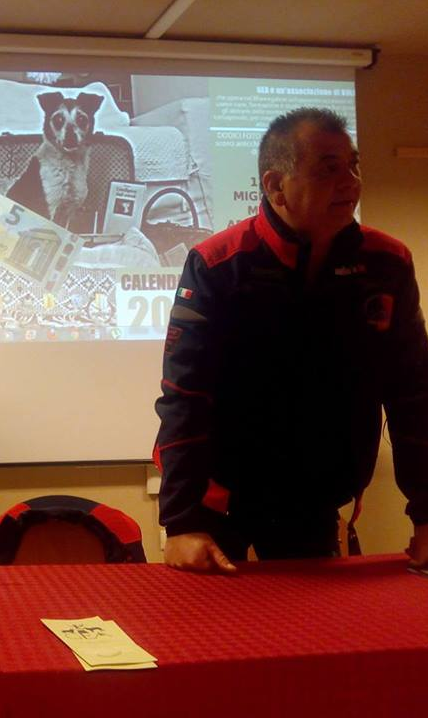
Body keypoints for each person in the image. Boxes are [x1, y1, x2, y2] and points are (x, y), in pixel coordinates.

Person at [154, 107, 428, 573]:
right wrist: (181, 521)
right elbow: (184, 396)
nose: (350, 182)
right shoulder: (219, 264)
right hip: (218, 501)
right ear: (276, 186)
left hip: (315, 501)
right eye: (328, 169)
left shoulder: (387, 263)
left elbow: (414, 397)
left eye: (353, 165)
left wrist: (427, 515)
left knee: (313, 619)